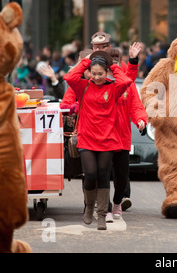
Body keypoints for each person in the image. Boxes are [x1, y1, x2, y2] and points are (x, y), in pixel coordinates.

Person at [63, 50, 133, 230]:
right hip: (87, 138)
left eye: (100, 74)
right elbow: (70, 77)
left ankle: (102, 215)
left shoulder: (113, 87)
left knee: (103, 176)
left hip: (107, 139)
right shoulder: (83, 86)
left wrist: (113, 65)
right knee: (91, 175)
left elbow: (126, 81)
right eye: (93, 74)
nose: (97, 77)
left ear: (106, 72)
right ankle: (88, 208)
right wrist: (86, 62)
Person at [106, 45, 146, 221]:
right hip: (103, 137)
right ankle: (104, 206)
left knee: (122, 176)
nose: (114, 63)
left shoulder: (126, 84)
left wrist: (140, 120)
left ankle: (117, 202)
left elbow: (136, 105)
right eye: (110, 60)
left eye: (116, 59)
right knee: (102, 174)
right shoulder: (98, 83)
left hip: (122, 137)